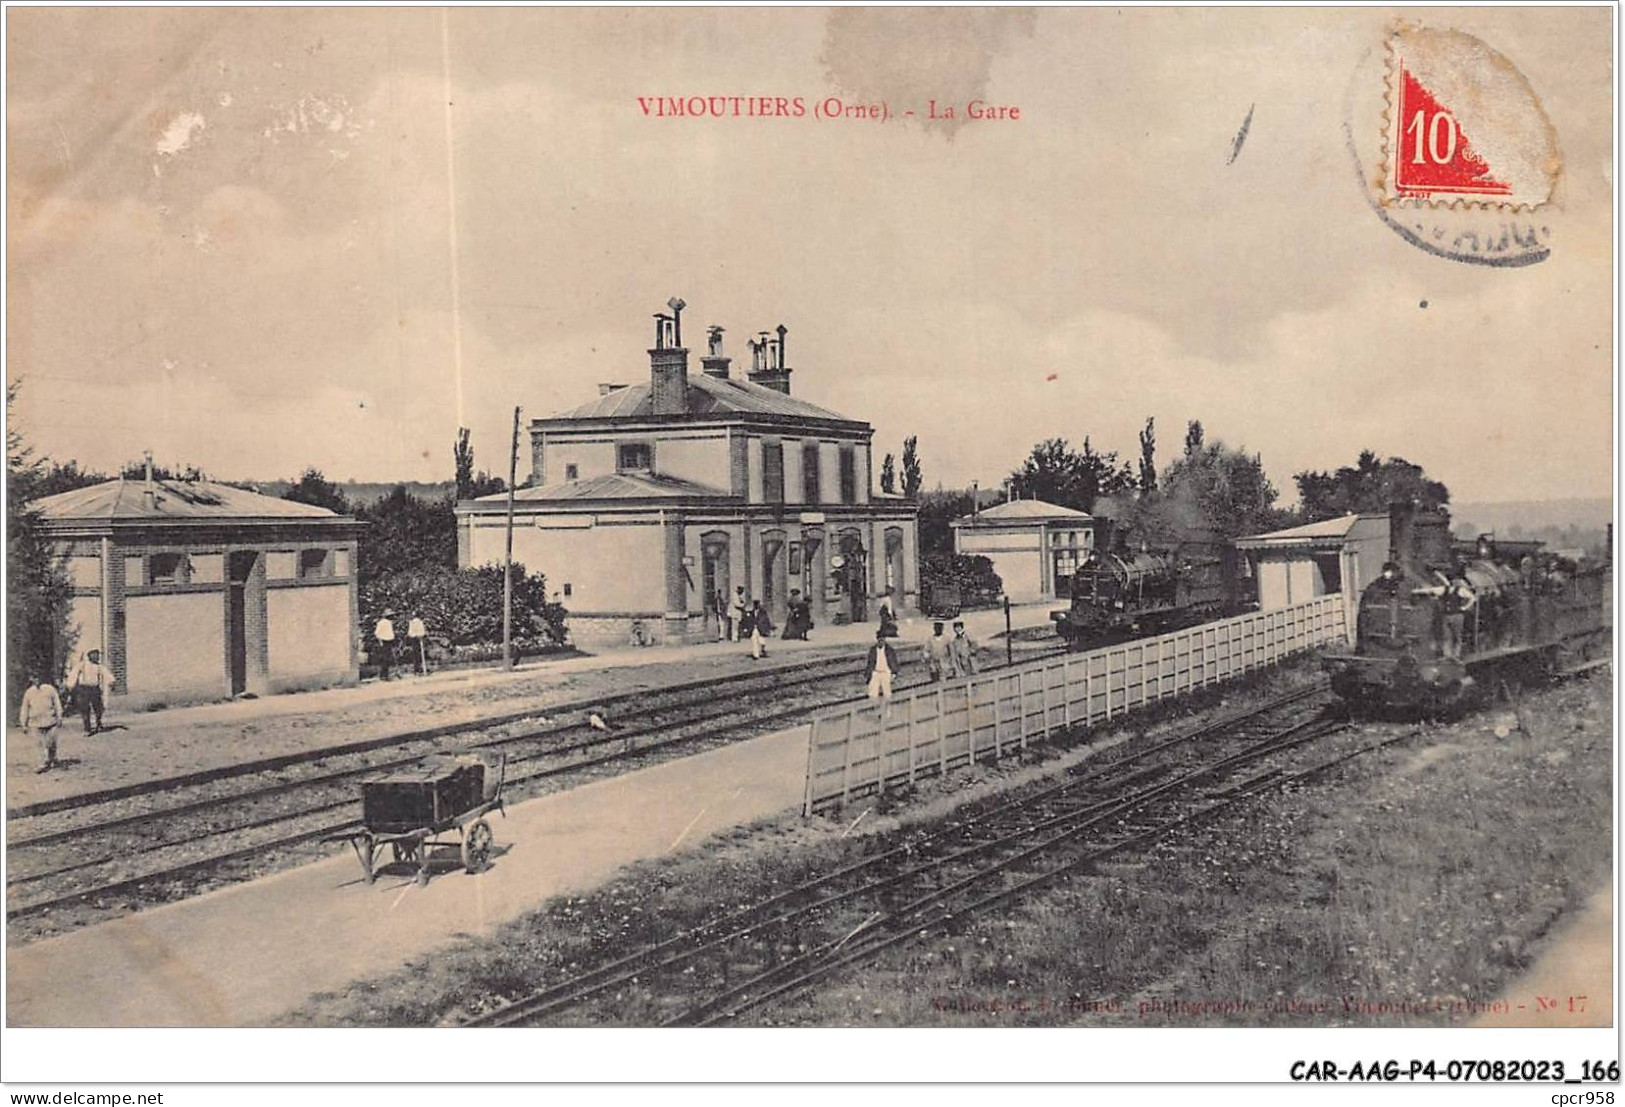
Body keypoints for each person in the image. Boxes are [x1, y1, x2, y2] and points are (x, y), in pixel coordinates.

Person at [19, 671, 64, 774]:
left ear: (42, 678)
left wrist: (59, 717)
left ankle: (52, 759)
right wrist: (23, 723)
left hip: (50, 720)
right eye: (34, 678)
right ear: (31, 679)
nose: (36, 680)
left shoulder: (50, 689)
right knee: (38, 743)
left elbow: (57, 703)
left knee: (51, 742)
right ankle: (42, 763)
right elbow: (25, 708)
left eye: (38, 677)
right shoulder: (29, 692)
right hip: (35, 722)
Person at [67, 648, 112, 734]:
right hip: (84, 689)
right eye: (94, 654)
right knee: (85, 709)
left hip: (95, 689)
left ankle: (98, 723)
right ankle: (87, 728)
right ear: (89, 655)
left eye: (97, 655)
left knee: (99, 708)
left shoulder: (99, 666)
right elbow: (74, 673)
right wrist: (70, 685)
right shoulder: (82, 665)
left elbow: (106, 673)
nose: (96, 657)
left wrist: (111, 681)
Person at [1441, 576, 1476, 660]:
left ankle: (1456, 655)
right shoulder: (1447, 591)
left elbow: (1472, 598)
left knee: (1457, 636)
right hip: (1447, 615)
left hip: (1457, 615)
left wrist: (1465, 607)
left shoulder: (1460, 591)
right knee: (1447, 636)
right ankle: (1447, 655)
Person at [865, 628, 899, 713]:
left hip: (885, 672)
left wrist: (894, 673)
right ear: (877, 639)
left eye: (883, 639)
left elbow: (893, 661)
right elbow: (870, 663)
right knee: (873, 694)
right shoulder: (873, 650)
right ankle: (877, 712)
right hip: (876, 672)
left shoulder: (889, 650)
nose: (881, 641)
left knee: (887, 694)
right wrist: (868, 675)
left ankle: (887, 712)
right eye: (879, 639)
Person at [373, 611, 397, 681]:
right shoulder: (383, 623)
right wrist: (381, 641)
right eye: (390, 615)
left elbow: (390, 634)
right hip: (384, 641)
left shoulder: (387, 623)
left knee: (386, 659)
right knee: (385, 659)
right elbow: (377, 633)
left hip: (388, 641)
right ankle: (384, 675)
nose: (392, 617)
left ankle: (384, 675)